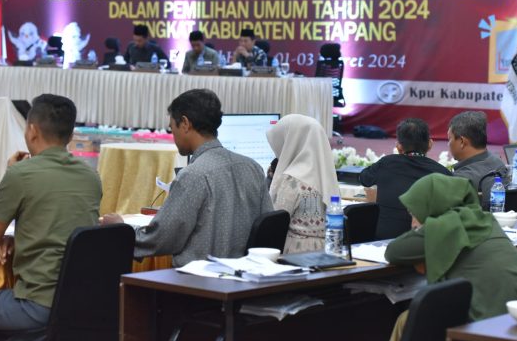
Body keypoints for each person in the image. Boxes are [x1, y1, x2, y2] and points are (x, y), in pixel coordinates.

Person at [0, 94, 102, 341]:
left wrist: (9, 175)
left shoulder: (21, 174)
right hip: (84, 302)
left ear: (31, 130)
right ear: (70, 134)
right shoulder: (91, 176)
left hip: (38, 304)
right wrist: (15, 237)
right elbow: (62, 226)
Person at [381, 174, 517, 341]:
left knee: (410, 320)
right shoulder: (485, 219)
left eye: (414, 214)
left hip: (492, 324)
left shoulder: (442, 227)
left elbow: (394, 252)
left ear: (432, 207)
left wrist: (422, 228)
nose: (412, 223)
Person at [102, 89, 273, 265]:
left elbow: (160, 239)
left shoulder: (193, 175)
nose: (173, 136)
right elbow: (267, 229)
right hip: (247, 277)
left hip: (196, 279)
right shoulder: (253, 168)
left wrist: (120, 229)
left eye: (172, 128)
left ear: (185, 123)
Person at [359, 118, 451, 239]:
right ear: (430, 144)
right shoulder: (442, 173)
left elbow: (363, 178)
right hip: (422, 242)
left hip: (382, 239)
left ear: (399, 146)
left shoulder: (387, 163)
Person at [266, 114, 340, 253]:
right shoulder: (326, 175)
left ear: (290, 143)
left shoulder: (291, 179)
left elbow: (273, 222)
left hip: (296, 254)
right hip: (328, 251)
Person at [447, 111, 508, 210]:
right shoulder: (498, 162)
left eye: (449, 139)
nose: (448, 144)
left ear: (462, 141)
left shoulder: (461, 179)